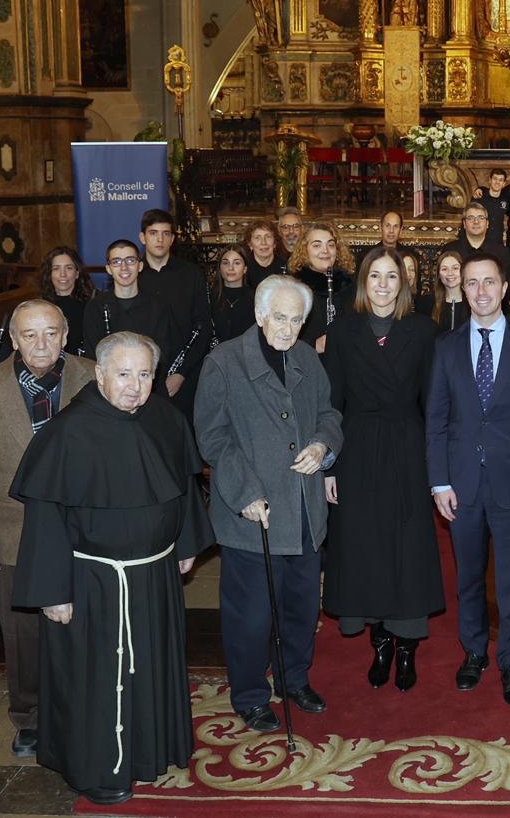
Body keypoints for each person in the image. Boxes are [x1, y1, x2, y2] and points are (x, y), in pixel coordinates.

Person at [10, 331, 214, 806]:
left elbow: (182, 487)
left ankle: (149, 753)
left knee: (152, 669)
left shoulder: (164, 417)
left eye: (145, 375)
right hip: (93, 582)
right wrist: (52, 592)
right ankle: (98, 769)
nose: (134, 386)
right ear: (99, 374)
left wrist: (185, 543)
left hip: (156, 576)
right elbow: (45, 519)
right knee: (96, 680)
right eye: (123, 374)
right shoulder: (69, 431)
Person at [196, 276, 343, 730]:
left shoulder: (304, 358)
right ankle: (250, 694)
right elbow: (213, 438)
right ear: (260, 316)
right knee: (252, 614)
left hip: (303, 511)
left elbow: (329, 414)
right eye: (280, 317)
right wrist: (244, 494)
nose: (288, 328)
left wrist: (322, 446)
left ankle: (292, 678)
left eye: (297, 319)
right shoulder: (223, 363)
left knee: (301, 608)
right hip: (253, 512)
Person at [0, 299, 96, 760]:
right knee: (23, 635)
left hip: (86, 531)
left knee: (89, 626)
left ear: (66, 334)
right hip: (13, 533)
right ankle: (30, 717)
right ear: (13, 339)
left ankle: (87, 709)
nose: (41, 343)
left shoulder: (96, 377)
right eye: (30, 334)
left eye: (51, 332)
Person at [427, 252, 510, 706]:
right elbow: (436, 422)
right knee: (467, 577)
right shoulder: (445, 348)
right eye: (471, 283)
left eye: (488, 282)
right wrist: (438, 483)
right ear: (462, 291)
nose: (480, 291)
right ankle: (473, 653)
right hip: (461, 484)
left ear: (504, 288)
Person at [322, 250, 445, 690]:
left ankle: (407, 645)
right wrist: (328, 467)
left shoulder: (423, 330)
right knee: (366, 547)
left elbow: (434, 403)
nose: (383, 284)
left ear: (403, 284)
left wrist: (439, 467)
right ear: (363, 282)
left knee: (407, 547)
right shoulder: (341, 331)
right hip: (354, 449)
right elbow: (331, 403)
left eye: (392, 276)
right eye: (374, 275)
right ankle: (380, 643)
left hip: (407, 446)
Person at [138, 209, 213, 415]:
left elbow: (204, 327)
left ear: (172, 239)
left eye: (166, 234)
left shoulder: (191, 275)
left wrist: (181, 373)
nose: (160, 239)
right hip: (141, 377)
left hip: (185, 377)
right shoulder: (133, 276)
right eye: (153, 233)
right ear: (142, 237)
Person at [83, 239, 181, 383]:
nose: (124, 267)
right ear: (108, 268)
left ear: (140, 266)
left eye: (130, 260)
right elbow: (93, 357)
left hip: (149, 385)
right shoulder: (95, 307)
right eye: (116, 261)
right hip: (110, 387)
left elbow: (162, 354)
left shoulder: (159, 306)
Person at [288, 220, 355, 351]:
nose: (325, 251)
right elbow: (284, 337)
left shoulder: (349, 285)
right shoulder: (294, 288)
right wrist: (313, 345)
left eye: (330, 245)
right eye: (317, 245)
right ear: (304, 250)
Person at [40, 246, 94, 357]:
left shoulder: (92, 305)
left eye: (68, 268)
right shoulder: (41, 307)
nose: (62, 274)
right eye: (56, 269)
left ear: (77, 273)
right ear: (49, 274)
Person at [444, 202, 510, 273]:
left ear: (487, 224)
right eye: (471, 218)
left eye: (481, 218)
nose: (476, 222)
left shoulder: (501, 252)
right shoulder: (450, 250)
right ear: (464, 224)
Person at [210, 244, 257, 344]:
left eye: (236, 263)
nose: (230, 268)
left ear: (245, 269)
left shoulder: (255, 298)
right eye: (225, 263)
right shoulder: (209, 298)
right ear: (220, 268)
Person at [431, 250, 470, 332]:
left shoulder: (473, 302)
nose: (450, 273)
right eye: (444, 269)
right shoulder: (428, 303)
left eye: (455, 268)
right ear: (439, 274)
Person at [472, 167, 510, 245]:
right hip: (479, 242)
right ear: (490, 180)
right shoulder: (479, 196)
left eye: (500, 180)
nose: (497, 182)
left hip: (497, 242)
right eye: (495, 179)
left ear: (504, 183)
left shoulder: (506, 201)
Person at [243, 218, 280, 291]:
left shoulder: (286, 267)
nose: (263, 242)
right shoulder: (243, 268)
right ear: (250, 244)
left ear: (275, 243)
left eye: (268, 236)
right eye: (257, 238)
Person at [273, 206, 304, 275]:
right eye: (286, 227)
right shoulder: (272, 255)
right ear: (279, 230)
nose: (291, 231)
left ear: (302, 229)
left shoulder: (309, 253)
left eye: (296, 227)